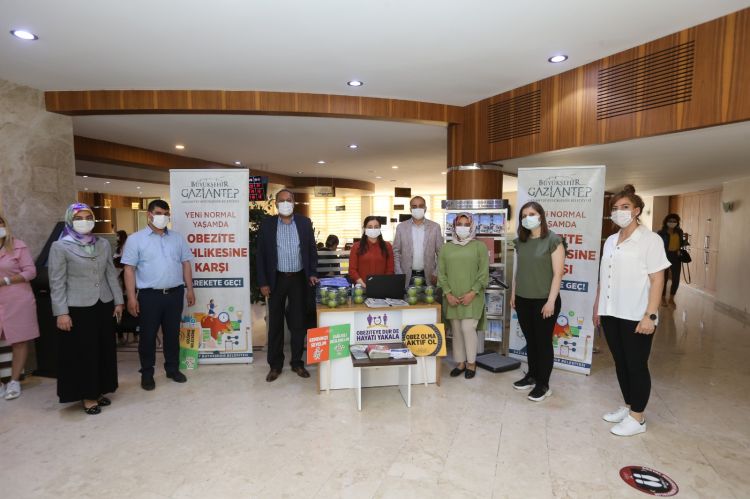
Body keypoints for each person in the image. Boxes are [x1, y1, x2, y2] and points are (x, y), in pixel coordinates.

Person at [594, 185, 670, 437]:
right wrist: (598, 306)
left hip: (637, 314)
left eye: (625, 207)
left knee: (636, 365)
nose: (619, 212)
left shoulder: (650, 240)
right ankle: (629, 407)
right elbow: (605, 276)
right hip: (611, 312)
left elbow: (658, 280)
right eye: (615, 208)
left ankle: (638, 418)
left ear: (637, 210)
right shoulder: (611, 240)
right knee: (620, 362)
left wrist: (650, 315)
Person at [48, 203, 124, 414]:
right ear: (70, 221)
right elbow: (57, 282)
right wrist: (61, 312)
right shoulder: (60, 246)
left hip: (103, 304)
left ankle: (99, 390)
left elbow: (110, 274)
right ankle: (87, 395)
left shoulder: (102, 243)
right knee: (84, 352)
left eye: (88, 217)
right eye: (79, 218)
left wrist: (118, 301)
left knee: (102, 349)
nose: (85, 221)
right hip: (77, 308)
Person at [122, 200, 195, 391]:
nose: (163, 217)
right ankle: (147, 373)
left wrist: (190, 289)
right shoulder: (135, 239)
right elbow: (129, 270)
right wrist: (131, 297)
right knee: (147, 337)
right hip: (149, 296)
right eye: (159, 213)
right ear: (149, 215)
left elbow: (186, 263)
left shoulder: (177, 238)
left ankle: (173, 369)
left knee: (172, 334)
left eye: (166, 213)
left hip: (175, 294)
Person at [256, 189, 319, 382]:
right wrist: (263, 282)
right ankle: (275, 365)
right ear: (276, 204)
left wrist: (312, 273)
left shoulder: (304, 222)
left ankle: (297, 362)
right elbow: (260, 255)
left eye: (288, 200)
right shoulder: (267, 224)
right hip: (276, 279)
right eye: (281, 200)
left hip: (299, 278)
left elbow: (311, 249)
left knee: (298, 322)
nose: (285, 203)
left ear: (294, 202)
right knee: (275, 323)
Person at [511, 202, 565, 402]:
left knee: (543, 343)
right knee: (531, 341)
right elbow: (518, 271)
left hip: (544, 301)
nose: (528, 218)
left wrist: (551, 301)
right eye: (524, 215)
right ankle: (532, 376)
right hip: (523, 299)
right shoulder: (520, 242)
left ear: (541, 216)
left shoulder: (553, 240)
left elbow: (558, 274)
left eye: (532, 214)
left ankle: (543, 384)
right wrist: (514, 294)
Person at [438, 213, 488, 379]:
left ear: (472, 227)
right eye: (460, 224)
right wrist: (448, 293)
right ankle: (460, 363)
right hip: (452, 297)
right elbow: (441, 273)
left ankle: (471, 363)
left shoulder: (479, 247)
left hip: (473, 297)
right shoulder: (446, 248)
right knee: (457, 331)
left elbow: (483, 273)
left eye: (467, 224)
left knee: (467, 329)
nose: (463, 227)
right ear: (454, 226)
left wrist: (473, 292)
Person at [0, 214, 40, 400]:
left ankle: (14, 381)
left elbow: (31, 271)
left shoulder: (18, 245)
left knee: (19, 341)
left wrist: (6, 280)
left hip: (17, 299)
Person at [393, 196, 443, 286]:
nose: (418, 208)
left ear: (425, 208)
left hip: (429, 276)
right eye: (414, 206)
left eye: (421, 206)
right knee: (406, 296)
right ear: (410, 209)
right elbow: (396, 252)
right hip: (406, 276)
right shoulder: (401, 227)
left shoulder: (435, 227)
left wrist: (436, 273)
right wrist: (399, 273)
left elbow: (441, 253)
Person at [348, 216, 394, 287]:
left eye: (376, 227)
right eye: (370, 227)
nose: (373, 229)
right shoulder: (356, 246)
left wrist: (383, 283)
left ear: (379, 229)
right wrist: (363, 285)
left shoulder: (387, 246)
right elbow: (352, 270)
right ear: (365, 228)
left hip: (381, 286)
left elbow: (390, 269)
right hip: (361, 287)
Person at [657, 214, 687, 307]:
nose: (672, 223)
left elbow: (681, 243)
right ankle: (662, 298)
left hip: (676, 256)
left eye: (674, 221)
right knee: (664, 278)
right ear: (666, 222)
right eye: (670, 221)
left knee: (676, 278)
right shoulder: (661, 233)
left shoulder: (679, 232)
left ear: (677, 222)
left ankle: (671, 299)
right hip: (665, 256)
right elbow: (657, 245)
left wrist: (685, 240)